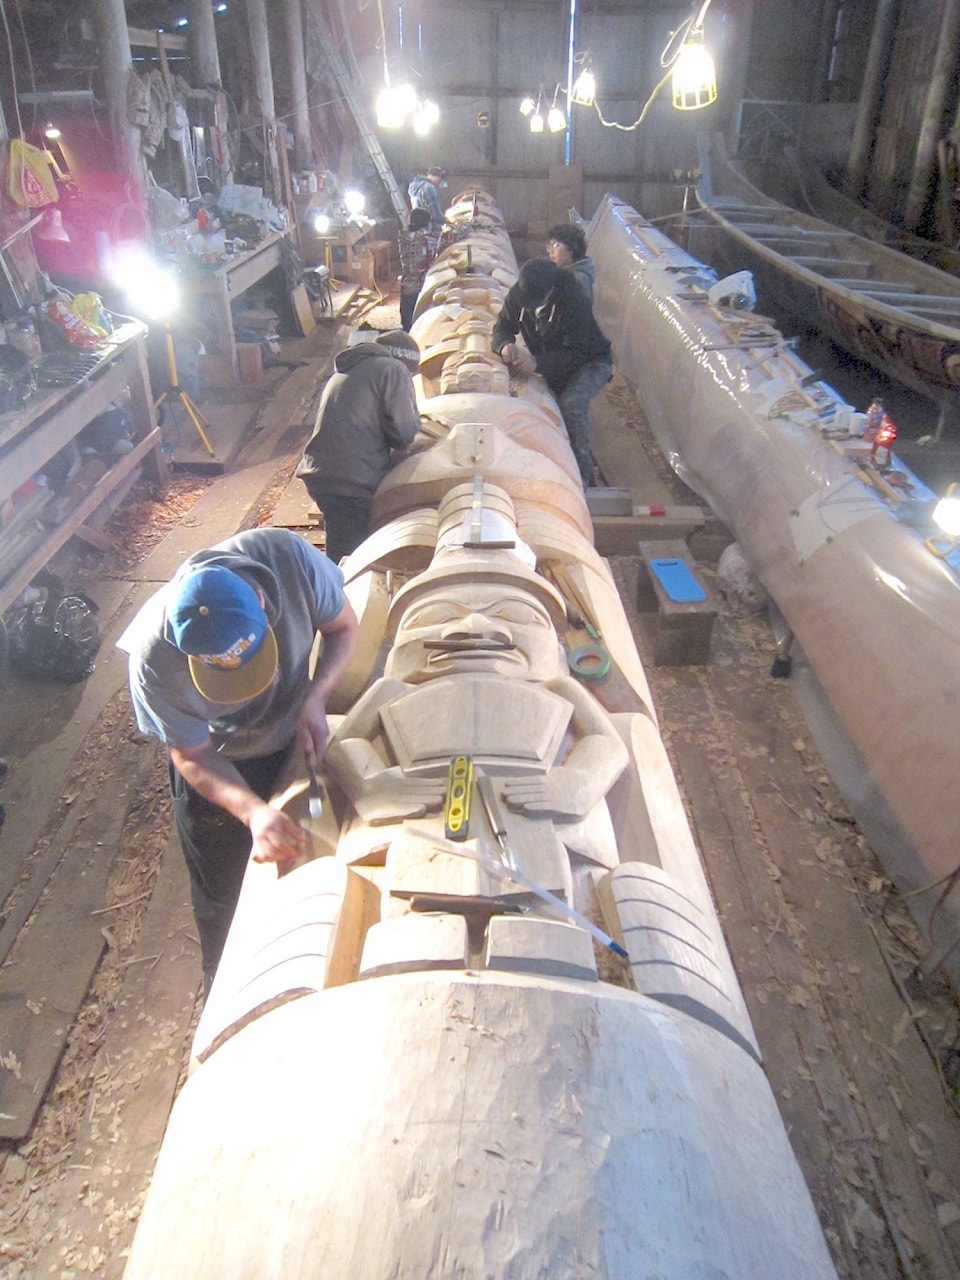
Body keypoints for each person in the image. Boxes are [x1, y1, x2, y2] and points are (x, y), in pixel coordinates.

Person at [117, 527, 359, 993]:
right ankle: (225, 992)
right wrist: (251, 811)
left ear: (262, 600)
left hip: (289, 734)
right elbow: (192, 754)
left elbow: (344, 627)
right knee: (225, 900)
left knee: (309, 864)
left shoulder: (290, 560)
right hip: (219, 764)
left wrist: (317, 695)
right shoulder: (152, 659)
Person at [296, 329, 422, 562]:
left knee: (342, 547)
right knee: (353, 562)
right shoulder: (393, 369)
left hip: (325, 474)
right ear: (406, 363)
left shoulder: (351, 367)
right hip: (352, 480)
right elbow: (404, 433)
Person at [491, 257, 612, 487]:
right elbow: (503, 326)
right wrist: (504, 344)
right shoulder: (520, 293)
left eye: (533, 302)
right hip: (556, 359)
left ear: (550, 290)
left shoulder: (575, 300)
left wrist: (538, 363)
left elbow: (577, 352)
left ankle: (583, 480)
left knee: (571, 405)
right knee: (552, 401)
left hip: (591, 362)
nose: (527, 306)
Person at [398, 207, 437, 332]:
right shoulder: (427, 239)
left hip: (406, 288)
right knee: (419, 327)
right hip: (420, 290)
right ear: (426, 223)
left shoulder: (403, 237)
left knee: (407, 325)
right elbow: (445, 241)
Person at [546, 223, 594, 301]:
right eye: (550, 246)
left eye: (556, 245)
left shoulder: (578, 279)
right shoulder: (563, 274)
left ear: (572, 248)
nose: (551, 251)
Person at [407, 165, 447, 236]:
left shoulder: (415, 186)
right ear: (436, 176)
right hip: (430, 231)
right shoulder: (429, 188)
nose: (438, 184)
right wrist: (445, 220)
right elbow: (435, 213)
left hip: (419, 230)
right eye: (440, 181)